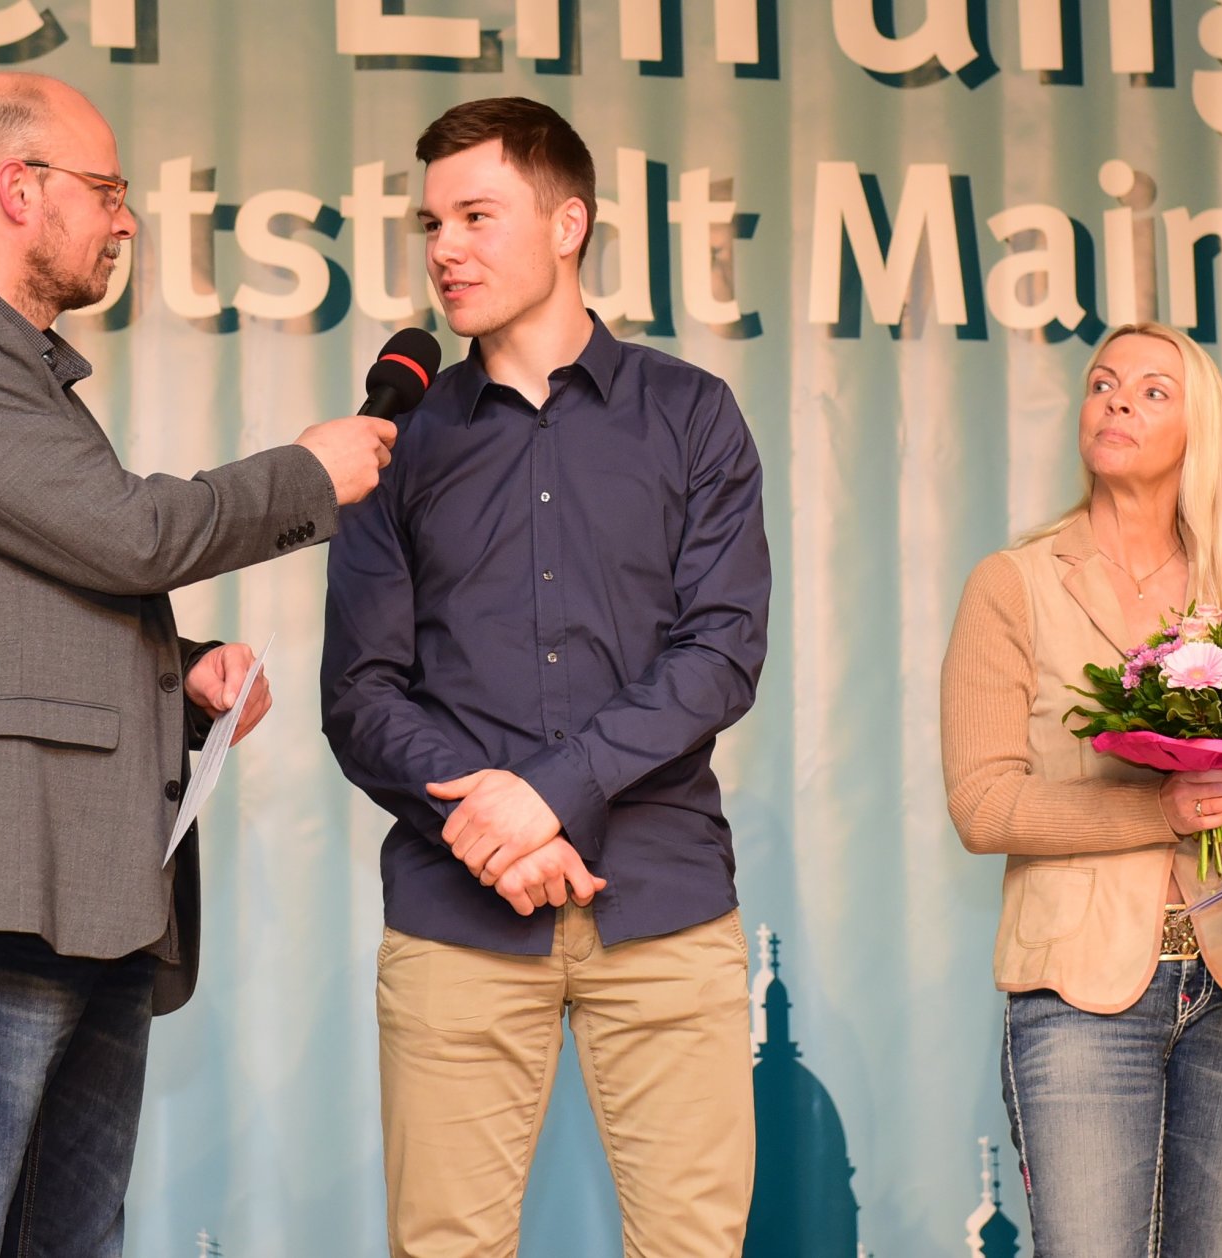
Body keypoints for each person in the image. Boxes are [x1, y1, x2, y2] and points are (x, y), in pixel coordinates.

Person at [0, 72, 395, 1258]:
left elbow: (26, 600)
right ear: (16, 188)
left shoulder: (16, 370)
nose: (126, 220)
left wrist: (179, 676)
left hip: (83, 898)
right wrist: (306, 473)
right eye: (108, 191)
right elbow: (126, 534)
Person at [321, 96, 771, 1257]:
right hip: (454, 917)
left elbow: (720, 653)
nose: (445, 249)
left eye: (477, 214)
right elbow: (362, 693)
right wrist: (486, 820)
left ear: (568, 223)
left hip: (663, 906)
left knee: (693, 1245)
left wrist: (547, 790)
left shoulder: (691, 414)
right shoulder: (394, 441)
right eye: (432, 222)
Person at [939, 322, 1222, 1257]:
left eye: (1154, 390)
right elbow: (984, 807)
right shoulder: (1013, 584)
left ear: (1203, 431)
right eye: (1103, 383)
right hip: (1079, 996)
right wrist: (1154, 811)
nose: (1116, 399)